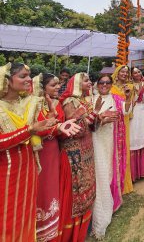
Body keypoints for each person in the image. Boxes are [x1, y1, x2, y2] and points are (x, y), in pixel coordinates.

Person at [0, 63, 75, 241]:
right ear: (7, 81)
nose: (29, 80)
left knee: (26, 215)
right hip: (6, 173)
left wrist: (55, 124)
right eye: (23, 76)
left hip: (29, 168)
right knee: (7, 218)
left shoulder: (30, 103)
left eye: (29, 76)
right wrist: (30, 130)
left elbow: (39, 129)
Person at [32, 73, 81, 242]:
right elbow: (35, 130)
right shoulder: (34, 105)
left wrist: (66, 125)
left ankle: (52, 232)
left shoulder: (58, 104)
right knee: (41, 188)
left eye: (59, 84)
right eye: (53, 85)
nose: (58, 87)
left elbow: (60, 130)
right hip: (40, 152)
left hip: (54, 150)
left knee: (52, 187)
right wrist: (56, 127)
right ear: (42, 87)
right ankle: (38, 230)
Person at [58, 72, 103, 242]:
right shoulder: (69, 101)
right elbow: (75, 128)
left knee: (87, 186)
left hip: (87, 149)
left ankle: (86, 227)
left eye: (89, 80)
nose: (90, 83)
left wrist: (96, 113)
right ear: (77, 83)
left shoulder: (83, 101)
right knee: (77, 191)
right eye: (86, 80)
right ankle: (72, 233)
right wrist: (90, 113)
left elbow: (89, 125)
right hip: (74, 152)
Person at [91, 75, 132, 239]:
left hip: (111, 139)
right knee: (99, 172)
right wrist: (102, 119)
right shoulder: (91, 99)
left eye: (108, 83)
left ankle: (111, 201)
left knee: (109, 170)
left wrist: (128, 98)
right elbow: (89, 121)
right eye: (102, 82)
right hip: (96, 139)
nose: (105, 85)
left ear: (111, 84)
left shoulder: (115, 97)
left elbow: (126, 110)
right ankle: (99, 207)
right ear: (97, 84)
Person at [110, 65, 134, 194]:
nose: (124, 74)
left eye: (126, 72)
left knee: (123, 148)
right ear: (117, 73)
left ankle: (124, 184)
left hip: (123, 122)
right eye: (122, 72)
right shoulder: (110, 88)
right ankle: (113, 182)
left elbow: (129, 109)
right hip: (111, 122)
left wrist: (128, 96)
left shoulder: (129, 87)